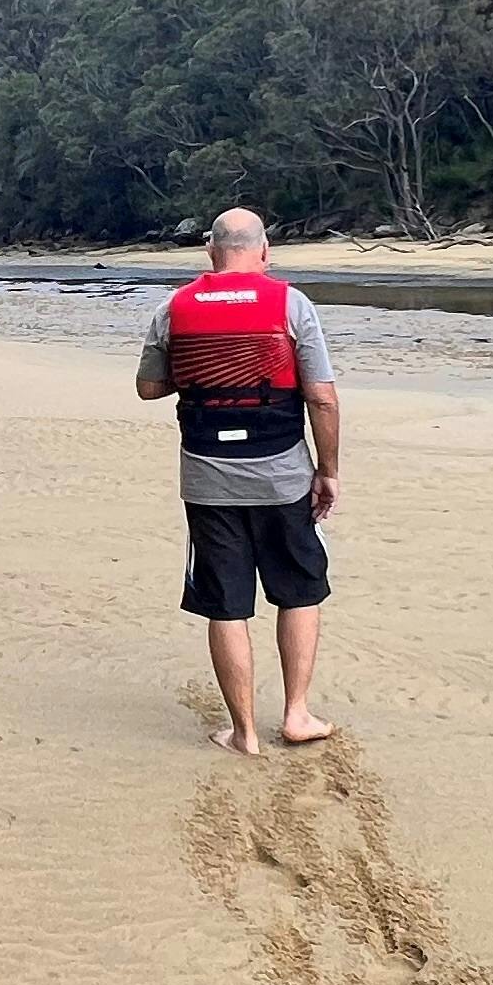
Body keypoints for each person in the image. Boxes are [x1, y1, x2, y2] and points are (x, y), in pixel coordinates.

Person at [137, 207, 340, 755]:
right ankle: (296, 715)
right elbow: (320, 395)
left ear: (210, 252)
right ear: (265, 250)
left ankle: (244, 733)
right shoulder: (292, 305)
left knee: (226, 603)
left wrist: (201, 372)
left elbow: (148, 389)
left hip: (208, 480)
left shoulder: (173, 308)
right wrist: (328, 471)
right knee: (298, 591)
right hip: (282, 476)